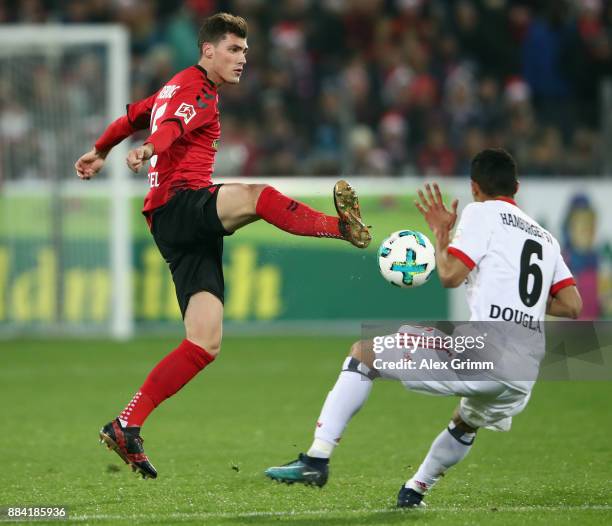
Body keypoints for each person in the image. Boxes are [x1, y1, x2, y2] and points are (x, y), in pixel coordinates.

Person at [74, 12, 371, 479]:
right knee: (256, 197)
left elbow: (133, 115)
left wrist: (102, 149)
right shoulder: (195, 92)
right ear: (207, 50)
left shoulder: (175, 86)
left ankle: (126, 425)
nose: (242, 59)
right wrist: (150, 149)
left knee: (203, 342)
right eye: (233, 49)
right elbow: (169, 126)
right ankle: (341, 230)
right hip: (180, 204)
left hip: (172, 224)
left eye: (246, 51)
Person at [265, 148, 582, 507]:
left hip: (486, 352)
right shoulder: (546, 238)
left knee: (363, 354)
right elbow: (572, 306)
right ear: (517, 187)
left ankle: (316, 459)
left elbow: (449, 275)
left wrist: (440, 233)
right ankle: (414, 490)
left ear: (475, 187)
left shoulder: (481, 214)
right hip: (524, 371)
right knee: (465, 422)